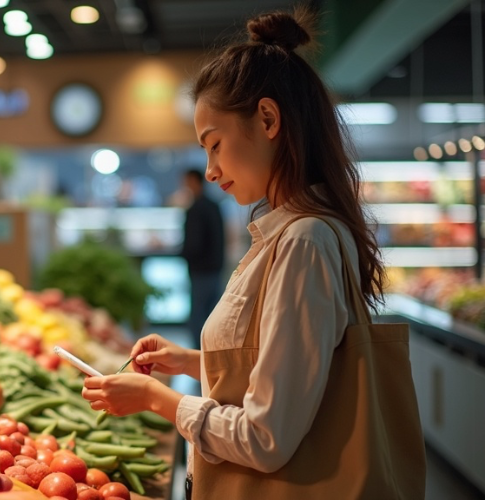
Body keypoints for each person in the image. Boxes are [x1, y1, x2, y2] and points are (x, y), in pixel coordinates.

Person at [82, 8, 425, 499]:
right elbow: (290, 370)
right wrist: (192, 362)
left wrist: (160, 401)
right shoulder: (291, 232)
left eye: (214, 145)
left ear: (267, 118)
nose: (211, 169)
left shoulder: (303, 241)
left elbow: (266, 438)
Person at [181, 168, 225, 348]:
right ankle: (210, 363)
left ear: (193, 181)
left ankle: (199, 363)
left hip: (201, 271)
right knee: (213, 318)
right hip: (215, 269)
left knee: (198, 318)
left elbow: (194, 244)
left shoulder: (196, 209)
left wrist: (183, 254)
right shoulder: (214, 206)